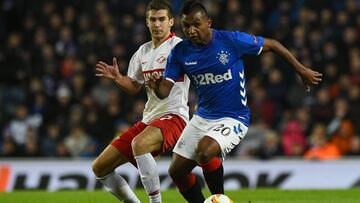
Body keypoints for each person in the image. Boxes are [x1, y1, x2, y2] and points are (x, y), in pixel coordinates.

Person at [149, 1, 323, 202]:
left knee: (204, 151)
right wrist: (156, 87)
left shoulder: (231, 41)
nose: (191, 30)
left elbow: (273, 45)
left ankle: (219, 198)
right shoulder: (180, 52)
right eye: (186, 25)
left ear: (209, 22)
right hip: (202, 116)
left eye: (196, 24)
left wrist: (302, 70)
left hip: (234, 117)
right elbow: (164, 91)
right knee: (176, 172)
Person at [92, 1, 223, 203]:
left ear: (171, 22)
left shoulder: (180, 47)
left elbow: (202, 71)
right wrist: (119, 79)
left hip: (175, 115)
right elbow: (134, 86)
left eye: (162, 19)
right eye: (153, 19)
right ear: (147, 22)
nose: (157, 24)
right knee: (100, 167)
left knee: (140, 144)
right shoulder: (142, 52)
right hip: (150, 118)